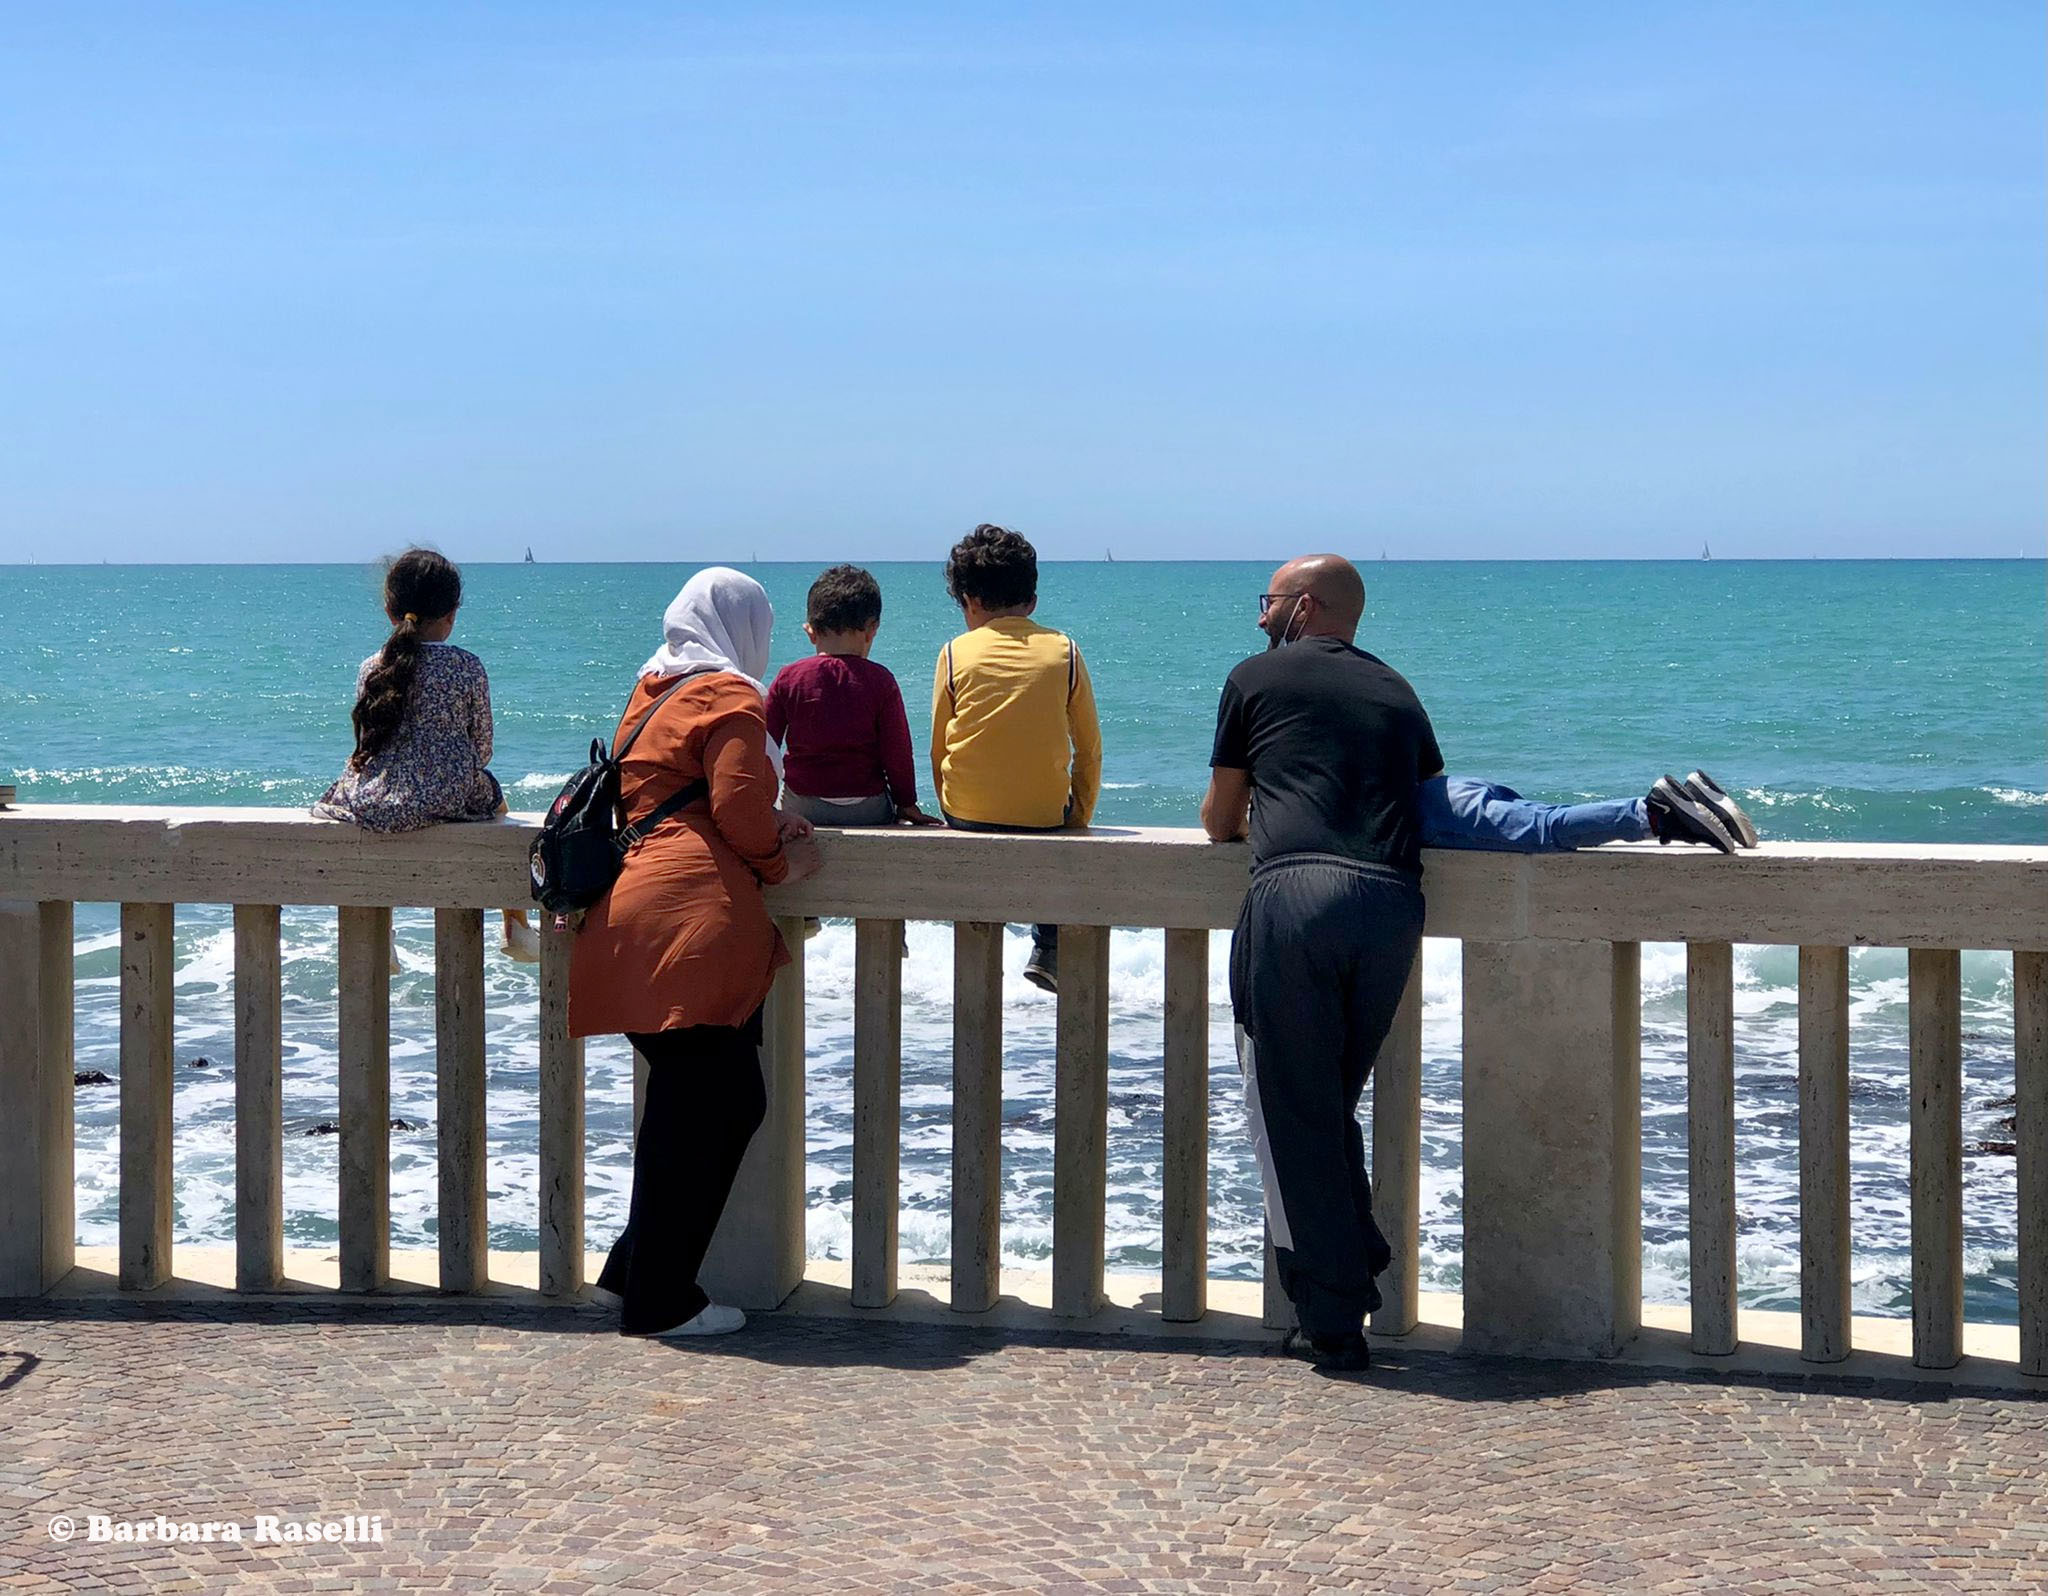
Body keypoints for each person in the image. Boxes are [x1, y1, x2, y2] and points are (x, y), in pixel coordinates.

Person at [568, 567, 823, 1340]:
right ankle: (659, 1300)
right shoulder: (730, 696)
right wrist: (785, 863)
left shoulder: (651, 692)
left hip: (629, 916)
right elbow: (742, 810)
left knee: (684, 1107)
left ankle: (633, 1271)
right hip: (691, 925)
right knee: (726, 1101)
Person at [1200, 553, 1439, 1372]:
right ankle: (1354, 1256)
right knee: (1328, 1101)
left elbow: (1216, 818)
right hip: (1392, 904)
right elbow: (1429, 805)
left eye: (1267, 601)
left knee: (1289, 1110)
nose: (1259, 615)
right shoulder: (1400, 690)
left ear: (1303, 607)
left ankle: (1335, 1317)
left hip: (1297, 897)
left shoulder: (1255, 678)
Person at [311, 547, 538, 963]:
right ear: (452, 615)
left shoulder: (371, 667)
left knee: (374, 837)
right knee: (497, 800)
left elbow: (367, 743)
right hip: (448, 795)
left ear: (389, 611)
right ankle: (514, 925)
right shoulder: (467, 666)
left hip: (378, 800)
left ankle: (385, 935)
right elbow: (482, 748)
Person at [930, 524, 1102, 993]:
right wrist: (1078, 817)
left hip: (966, 814)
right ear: (1033, 599)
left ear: (969, 600)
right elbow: (1088, 748)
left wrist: (951, 809)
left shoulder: (953, 653)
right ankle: (1047, 943)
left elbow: (939, 747)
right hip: (1043, 818)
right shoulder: (1065, 651)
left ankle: (986, 934)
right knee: (1049, 823)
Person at [767, 565, 937, 830]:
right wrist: (907, 803)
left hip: (803, 805)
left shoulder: (789, 678)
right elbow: (898, 754)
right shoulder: (881, 680)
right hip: (866, 808)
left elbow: (765, 745)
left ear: (810, 631)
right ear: (872, 629)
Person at [1422, 769, 1758, 853]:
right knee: (1548, 814)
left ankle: (1658, 814)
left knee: (1546, 830)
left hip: (1422, 809)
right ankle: (1694, 796)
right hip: (1453, 787)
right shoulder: (1389, 680)